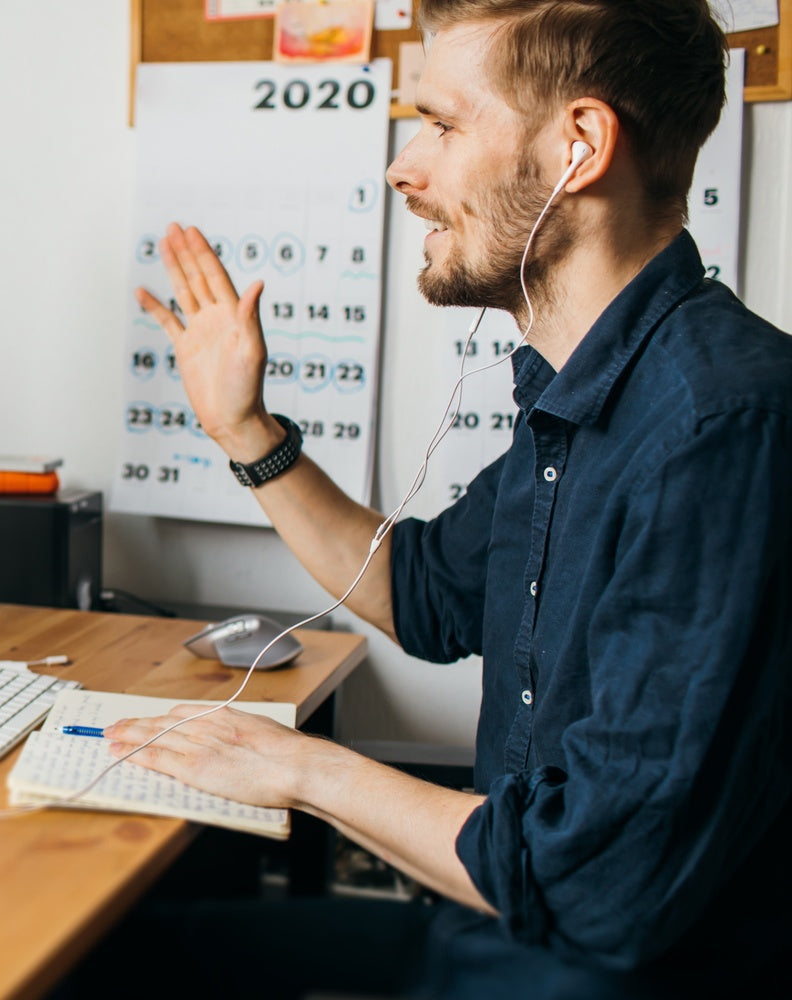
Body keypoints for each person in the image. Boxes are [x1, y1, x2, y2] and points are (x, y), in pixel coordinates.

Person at [83, 2, 792, 996]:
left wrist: (300, 771)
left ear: (581, 146)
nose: (403, 169)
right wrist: (244, 430)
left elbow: (604, 887)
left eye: (446, 127)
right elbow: (423, 593)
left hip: (602, 973)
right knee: (115, 949)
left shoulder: (717, 425)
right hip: (507, 939)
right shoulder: (588, 391)